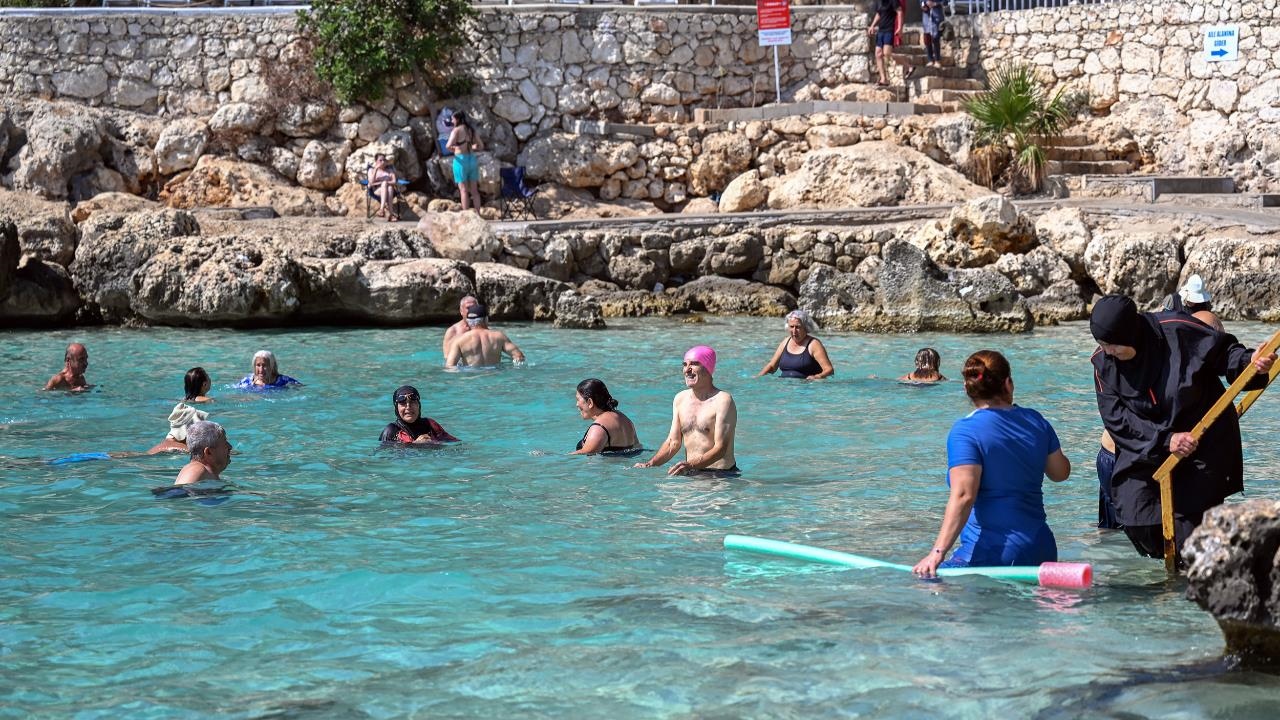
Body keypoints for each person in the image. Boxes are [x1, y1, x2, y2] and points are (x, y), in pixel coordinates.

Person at [1089, 294, 1275, 560]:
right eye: (1101, 344)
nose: (1107, 351)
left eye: (1112, 345)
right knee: (1136, 517)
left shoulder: (1178, 329)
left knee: (1188, 539)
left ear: (1131, 334)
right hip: (1147, 448)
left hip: (1202, 445)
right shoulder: (1103, 364)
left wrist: (1250, 364)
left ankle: (1202, 579)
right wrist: (1167, 440)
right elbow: (1117, 420)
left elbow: (1225, 354)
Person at [912, 350, 1071, 578]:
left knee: (923, 585)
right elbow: (1060, 472)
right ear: (1008, 384)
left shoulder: (965, 431)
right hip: (1041, 548)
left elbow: (964, 496)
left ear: (967, 389)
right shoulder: (1036, 420)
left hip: (992, 554)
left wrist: (937, 553)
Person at [635, 346, 738, 476]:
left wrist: (690, 465)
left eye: (694, 364)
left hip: (721, 475)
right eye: (685, 365)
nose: (687, 370)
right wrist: (650, 464)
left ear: (708, 368)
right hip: (692, 473)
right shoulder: (680, 399)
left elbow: (720, 448)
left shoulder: (723, 400)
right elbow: (673, 442)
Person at [756, 309, 835, 380]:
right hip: (784, 387)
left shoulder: (814, 344)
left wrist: (817, 377)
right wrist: (758, 377)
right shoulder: (785, 342)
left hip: (806, 389)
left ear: (805, 327)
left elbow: (829, 370)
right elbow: (772, 366)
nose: (794, 331)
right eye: (791, 326)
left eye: (798, 327)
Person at [572, 378, 641, 455]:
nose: (577, 404)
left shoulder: (598, 428)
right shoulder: (625, 419)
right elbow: (637, 448)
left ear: (590, 402)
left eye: (578, 399)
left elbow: (585, 454)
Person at [444, 304, 525, 368]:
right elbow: (519, 356)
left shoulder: (460, 340)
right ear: (485, 319)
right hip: (494, 376)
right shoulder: (499, 336)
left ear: (468, 321)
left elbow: (450, 366)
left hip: (472, 378)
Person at [378, 385, 460, 445]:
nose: (408, 407)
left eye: (412, 402)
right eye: (403, 403)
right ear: (396, 408)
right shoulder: (391, 431)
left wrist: (434, 442)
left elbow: (453, 444)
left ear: (419, 405)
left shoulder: (430, 425)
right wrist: (416, 444)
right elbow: (387, 459)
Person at [174, 420, 233, 486]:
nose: (230, 447)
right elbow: (177, 493)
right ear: (208, 452)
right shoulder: (196, 470)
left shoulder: (206, 473)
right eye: (225, 443)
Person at [447, 111, 484, 211]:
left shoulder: (456, 130)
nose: (452, 121)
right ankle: (479, 215)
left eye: (453, 119)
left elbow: (448, 146)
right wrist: (472, 147)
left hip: (461, 161)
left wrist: (455, 149)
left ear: (457, 119)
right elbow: (481, 146)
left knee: (463, 190)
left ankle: (466, 215)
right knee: (474, 191)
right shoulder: (471, 130)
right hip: (472, 159)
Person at [867, 0, 906, 87]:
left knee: (887, 53)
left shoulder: (893, 1)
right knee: (878, 54)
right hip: (881, 31)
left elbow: (899, 12)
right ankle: (883, 79)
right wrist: (872, 25)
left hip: (889, 30)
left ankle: (908, 65)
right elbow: (879, 13)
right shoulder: (879, 2)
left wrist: (900, 27)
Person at [236, 350, 302, 389]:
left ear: (272, 366)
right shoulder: (246, 382)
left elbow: (302, 389)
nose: (261, 369)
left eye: (264, 366)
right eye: (258, 365)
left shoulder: (285, 381)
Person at [367, 153, 401, 221]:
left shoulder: (389, 170)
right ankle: (390, 214)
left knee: (390, 188)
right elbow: (371, 183)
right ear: (376, 161)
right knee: (387, 186)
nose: (383, 162)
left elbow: (394, 181)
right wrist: (376, 169)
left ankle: (382, 209)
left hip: (389, 190)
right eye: (380, 160)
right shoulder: (371, 170)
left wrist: (385, 183)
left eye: (384, 160)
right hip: (377, 190)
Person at [920, 0, 946, 68]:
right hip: (926, 16)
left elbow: (945, 2)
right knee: (927, 38)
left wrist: (935, 4)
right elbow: (921, 1)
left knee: (935, 38)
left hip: (936, 15)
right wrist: (924, 4)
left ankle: (937, 60)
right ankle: (930, 59)